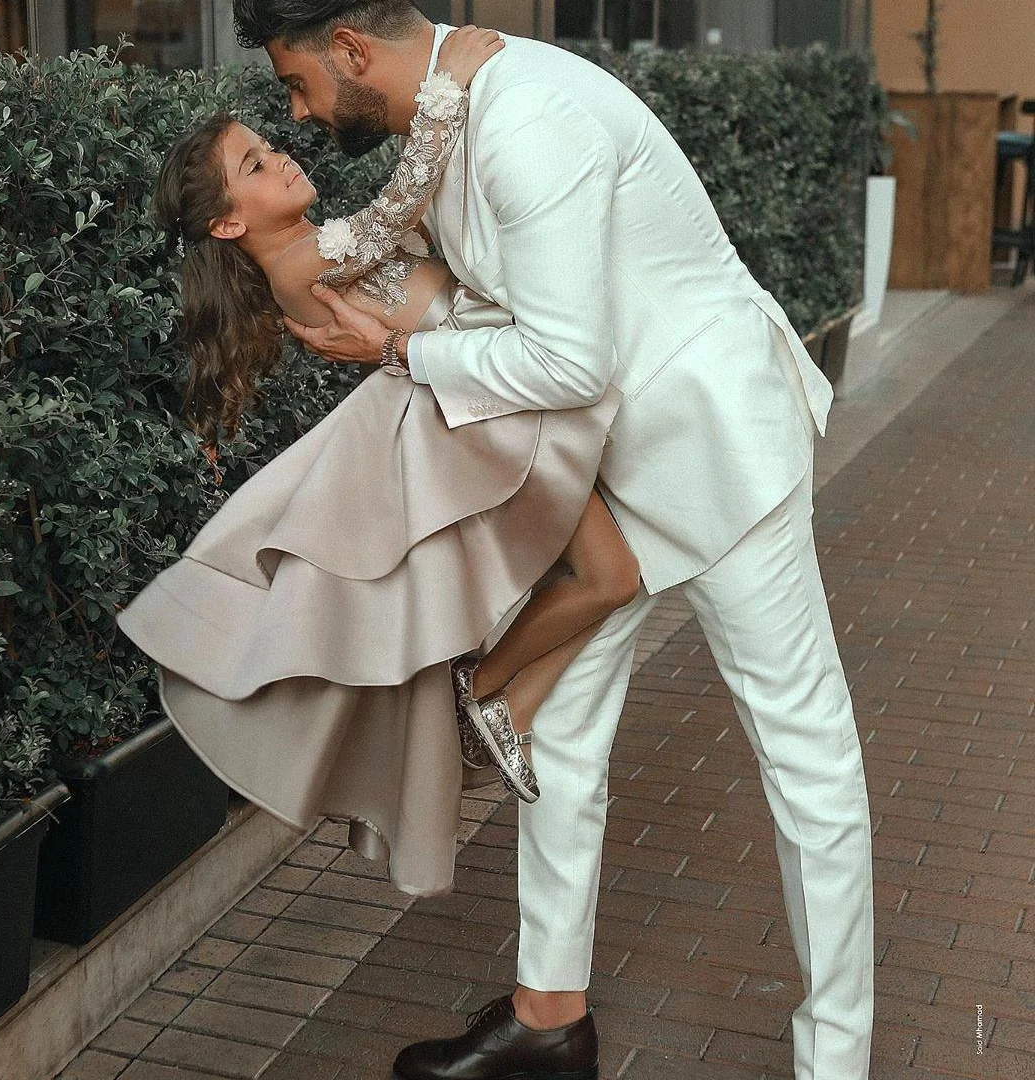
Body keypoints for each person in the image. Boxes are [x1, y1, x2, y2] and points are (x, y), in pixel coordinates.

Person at [232, 2, 877, 1080]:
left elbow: (568, 360)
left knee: (804, 755)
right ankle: (547, 1025)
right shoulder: (443, 113)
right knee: (564, 738)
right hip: (595, 474)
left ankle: (838, 1060)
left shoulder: (526, 115)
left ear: (350, 51)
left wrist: (398, 357)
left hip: (714, 450)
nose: (296, 110)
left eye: (298, 84)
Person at [118, 23, 642, 905]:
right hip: (474, 414)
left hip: (484, 399)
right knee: (612, 576)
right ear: (228, 222)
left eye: (267, 145)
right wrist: (448, 91)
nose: (280, 154)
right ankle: (493, 696)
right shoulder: (300, 263)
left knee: (612, 576)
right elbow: (396, 211)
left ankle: (495, 698)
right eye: (254, 164)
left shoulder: (310, 246)